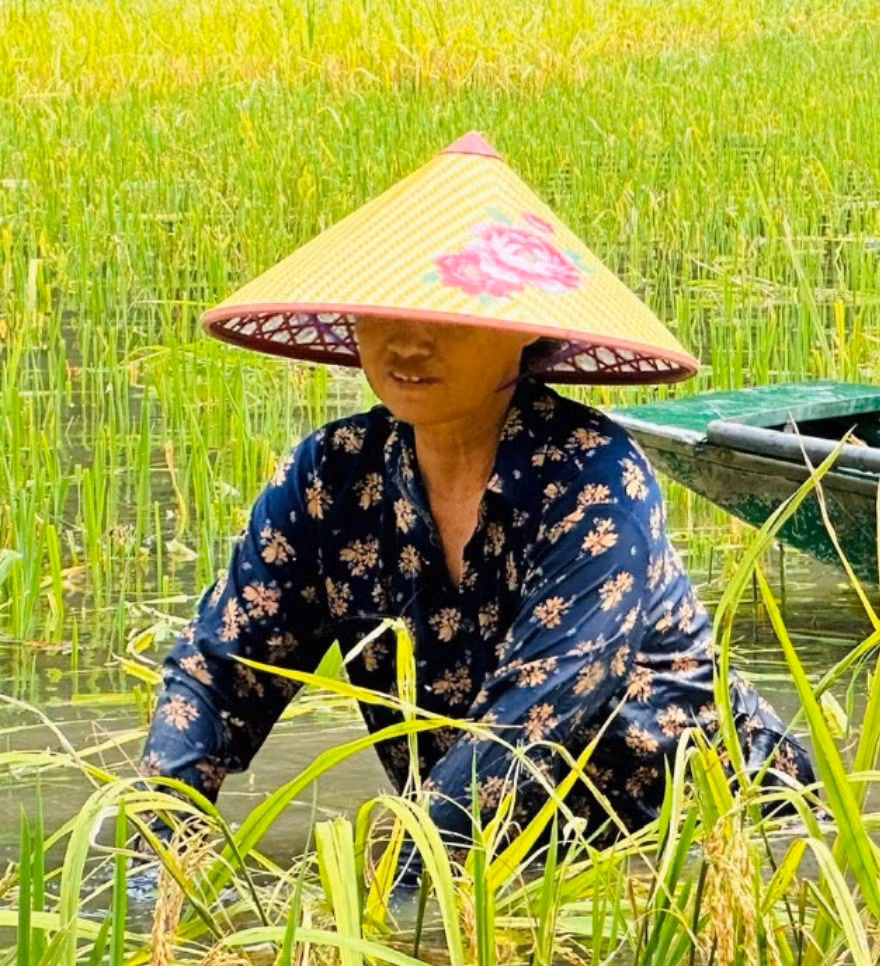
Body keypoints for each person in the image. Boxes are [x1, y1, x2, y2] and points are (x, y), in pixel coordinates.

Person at [132, 133, 811, 888]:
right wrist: (158, 852)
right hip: (479, 855)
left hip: (702, 851)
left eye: (450, 317)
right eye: (385, 311)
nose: (410, 344)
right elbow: (220, 670)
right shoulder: (332, 477)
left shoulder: (594, 475)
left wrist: (401, 900)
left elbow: (536, 717)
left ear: (524, 328)